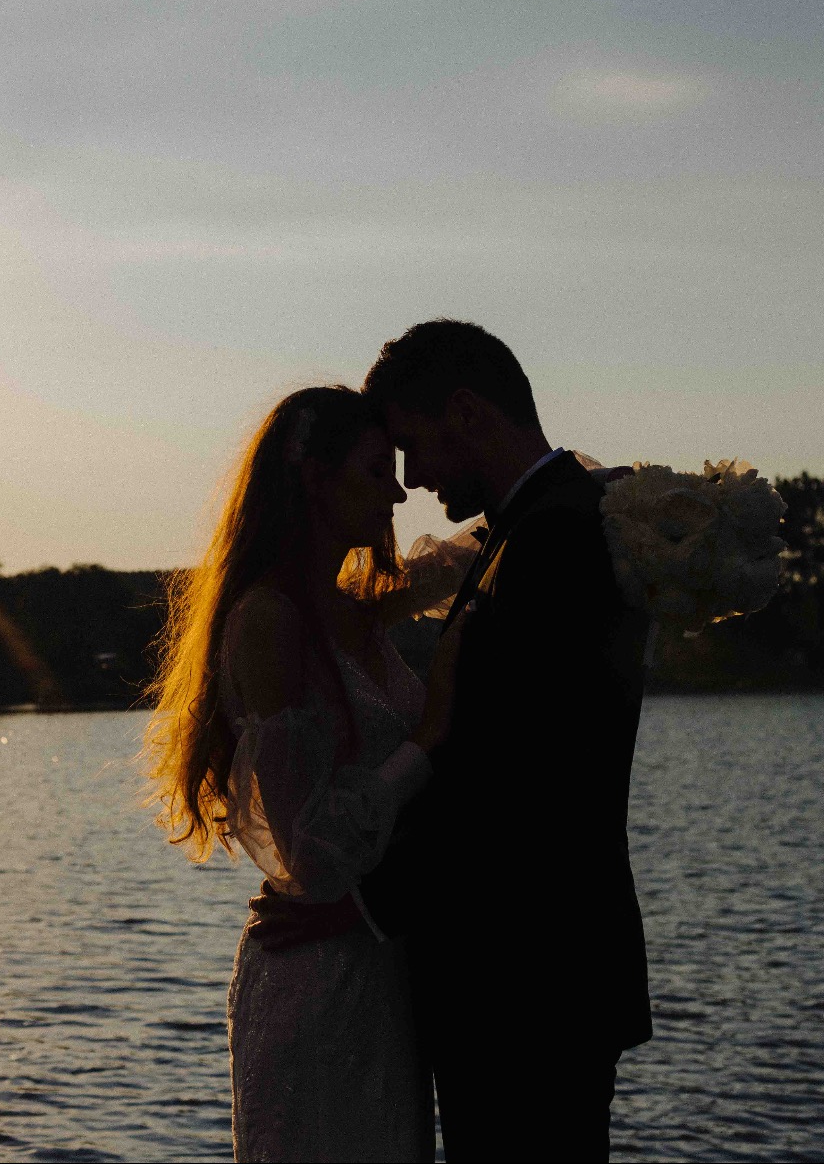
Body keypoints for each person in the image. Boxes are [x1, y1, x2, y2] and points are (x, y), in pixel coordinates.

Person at [144, 384, 471, 1163]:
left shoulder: (353, 606)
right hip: (316, 975)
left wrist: (602, 497)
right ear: (315, 480)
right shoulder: (269, 623)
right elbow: (313, 849)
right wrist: (424, 744)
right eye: (373, 470)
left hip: (375, 958)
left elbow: (473, 553)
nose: (398, 490)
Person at [354, 318, 653, 1160]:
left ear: (466, 412)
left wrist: (358, 903)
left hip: (527, 978)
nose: (410, 482)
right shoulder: (534, 529)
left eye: (413, 447)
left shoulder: (555, 537)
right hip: (533, 971)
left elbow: (507, 775)